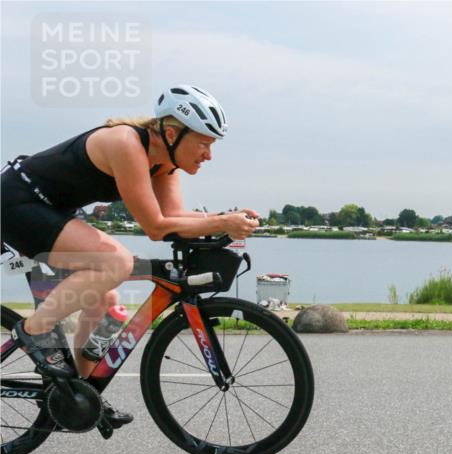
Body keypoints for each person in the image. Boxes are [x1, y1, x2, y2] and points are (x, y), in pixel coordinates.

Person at [2, 85, 259, 424]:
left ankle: (81, 393)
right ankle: (35, 331)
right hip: (17, 203)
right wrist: (220, 222)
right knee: (117, 263)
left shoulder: (165, 163)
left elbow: (175, 217)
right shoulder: (126, 143)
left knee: (106, 302)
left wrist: (229, 219)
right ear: (171, 133)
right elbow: (155, 227)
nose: (208, 155)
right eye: (204, 143)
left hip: (51, 210)